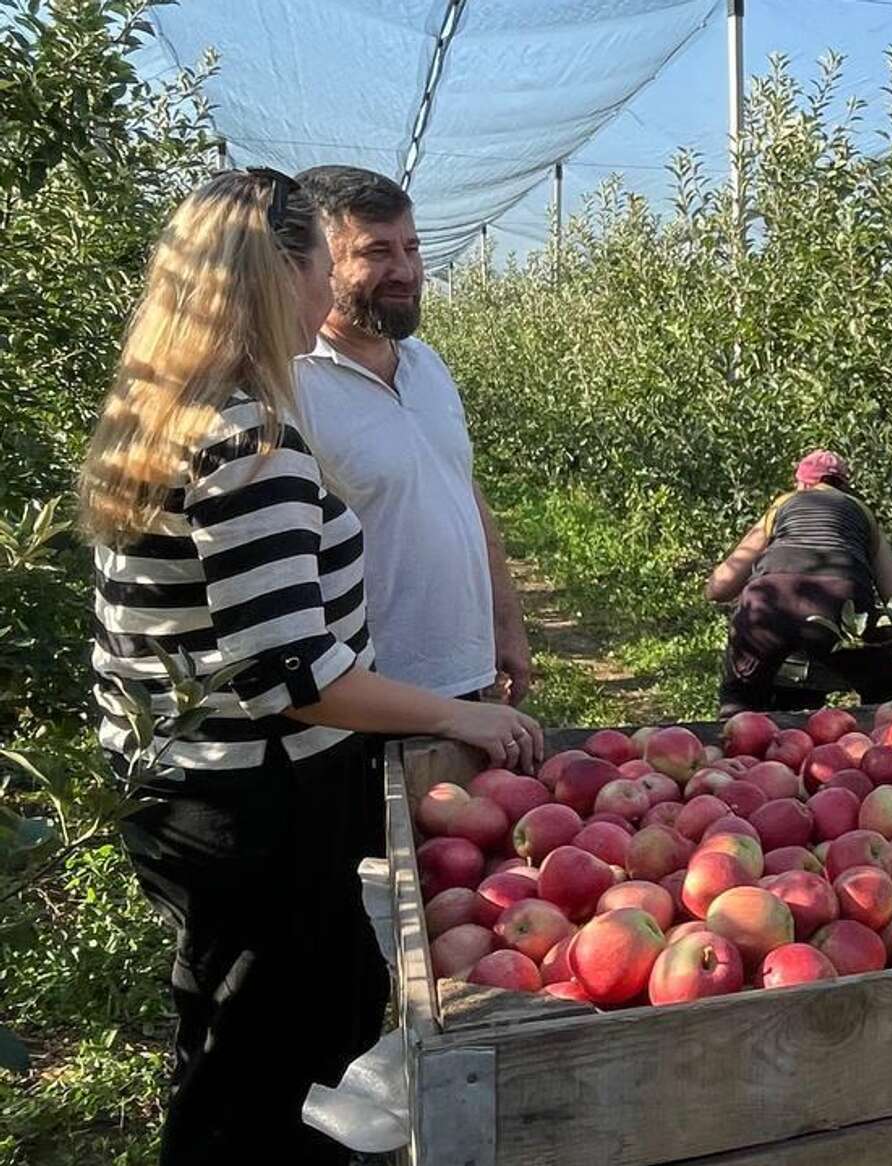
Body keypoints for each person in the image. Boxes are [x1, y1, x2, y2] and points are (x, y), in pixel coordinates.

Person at [78, 171, 544, 1165]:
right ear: (285, 269)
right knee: (266, 1050)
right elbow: (291, 670)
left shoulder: (168, 415)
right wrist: (457, 718)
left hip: (194, 787)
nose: (320, 291)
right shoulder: (248, 441)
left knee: (265, 1016)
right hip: (253, 802)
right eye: (314, 267)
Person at [290, 165, 531, 709]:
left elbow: (462, 493)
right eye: (376, 252)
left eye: (412, 248)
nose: (406, 270)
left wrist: (506, 624)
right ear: (321, 262)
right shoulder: (292, 382)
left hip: (466, 676)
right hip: (368, 691)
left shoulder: (428, 365)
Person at [706, 451, 892, 714]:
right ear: (843, 485)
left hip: (771, 602)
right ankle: (887, 736)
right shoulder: (862, 512)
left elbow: (720, 588)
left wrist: (712, 589)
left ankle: (733, 728)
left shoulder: (785, 504)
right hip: (843, 602)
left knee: (740, 695)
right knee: (884, 693)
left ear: (802, 483)